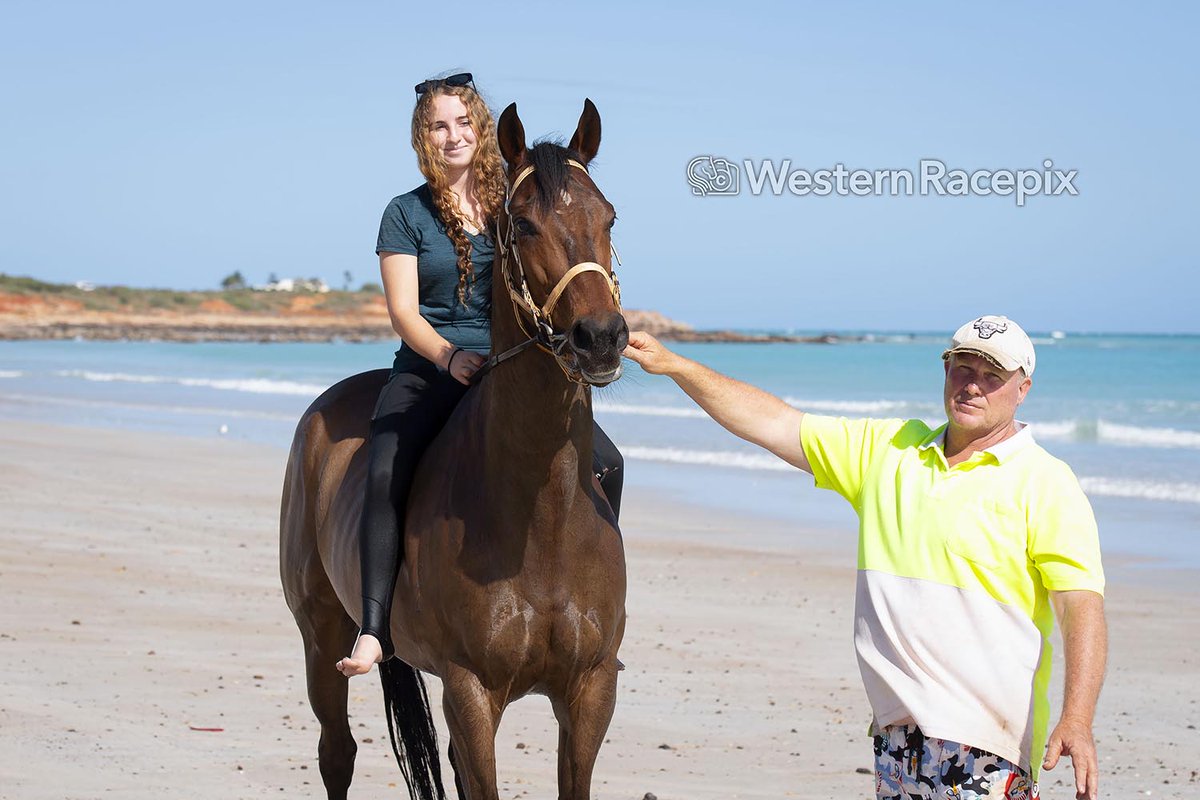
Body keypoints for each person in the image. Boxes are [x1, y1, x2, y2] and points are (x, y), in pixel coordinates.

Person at [622, 316, 1106, 800]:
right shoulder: (892, 451)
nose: (972, 385)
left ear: (1022, 390)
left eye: (992, 376)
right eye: (962, 368)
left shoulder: (1045, 482)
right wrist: (674, 365)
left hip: (986, 743)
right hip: (898, 737)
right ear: (945, 370)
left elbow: (1080, 606)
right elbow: (774, 423)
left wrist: (1077, 719)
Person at [336, 73, 624, 677]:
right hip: (432, 366)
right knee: (387, 463)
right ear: (423, 136)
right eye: (439, 125)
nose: (453, 136)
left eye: (464, 122)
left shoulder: (514, 205)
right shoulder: (405, 214)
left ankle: (596, 607)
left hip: (510, 367)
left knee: (608, 462)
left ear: (482, 128)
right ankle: (373, 625)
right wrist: (446, 356)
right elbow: (402, 312)